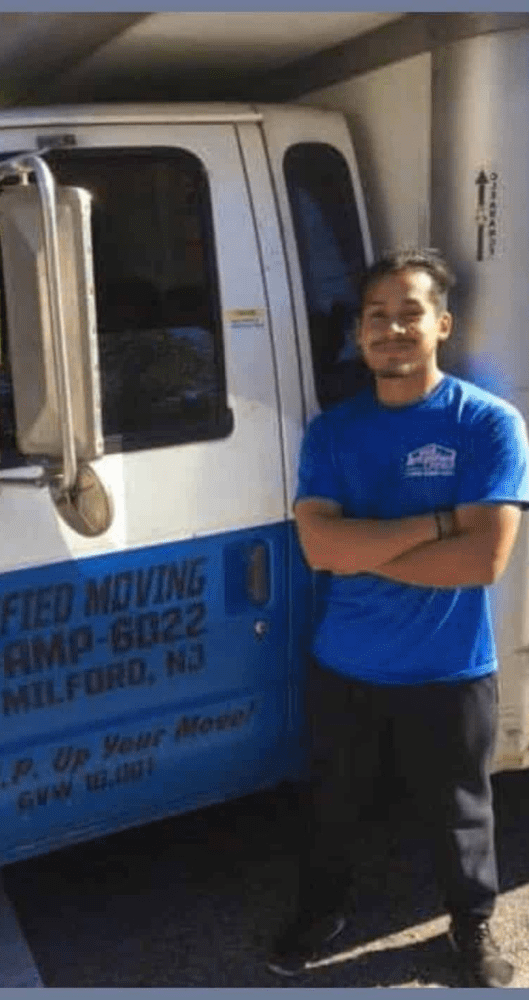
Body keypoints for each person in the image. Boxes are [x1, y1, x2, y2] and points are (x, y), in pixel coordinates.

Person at [268, 248, 529, 987]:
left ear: (440, 324)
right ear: (358, 333)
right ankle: (321, 911)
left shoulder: (488, 424)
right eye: (376, 316)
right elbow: (318, 545)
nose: (391, 328)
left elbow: (482, 564)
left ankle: (471, 928)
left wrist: (359, 549)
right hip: (345, 663)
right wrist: (440, 521)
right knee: (332, 808)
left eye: (408, 312)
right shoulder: (333, 432)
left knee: (462, 818)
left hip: (451, 668)